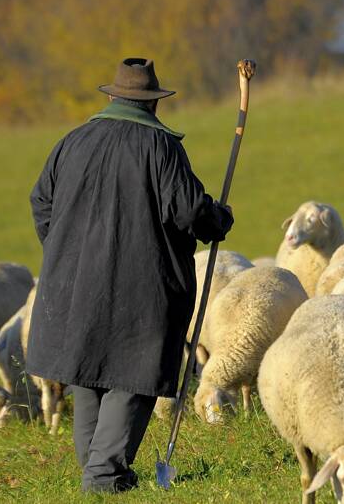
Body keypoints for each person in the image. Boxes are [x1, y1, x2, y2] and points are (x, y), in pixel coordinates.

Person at [27, 57, 234, 493]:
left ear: (114, 97)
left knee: (88, 371)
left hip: (76, 284)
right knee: (132, 373)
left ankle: (95, 467)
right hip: (142, 286)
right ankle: (104, 477)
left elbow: (41, 202)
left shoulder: (72, 142)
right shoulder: (160, 147)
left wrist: (65, 253)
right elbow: (189, 210)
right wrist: (217, 219)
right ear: (153, 103)